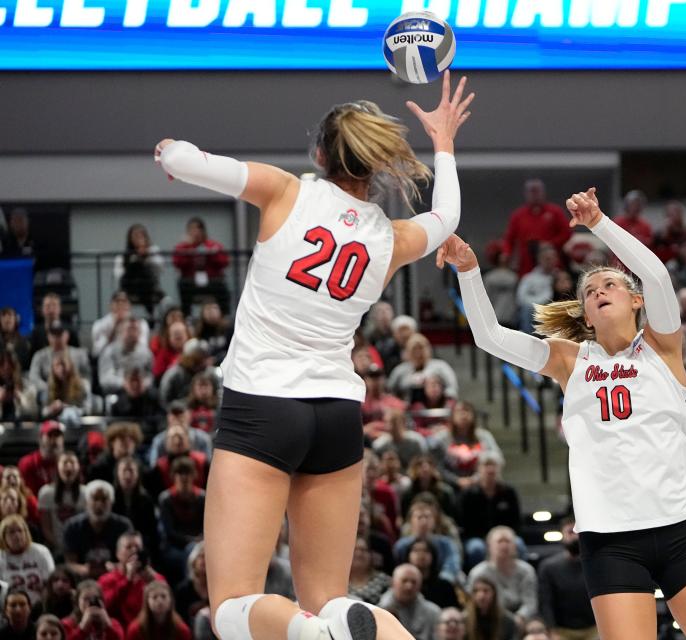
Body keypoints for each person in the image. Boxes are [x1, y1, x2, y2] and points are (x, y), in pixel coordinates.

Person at [155, 71, 473, 640]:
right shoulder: (389, 237)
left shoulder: (285, 190)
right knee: (330, 600)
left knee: (230, 606)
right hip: (336, 414)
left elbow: (186, 162)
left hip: (263, 407)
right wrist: (443, 143)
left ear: (320, 153)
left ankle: (311, 634)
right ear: (373, 166)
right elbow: (446, 218)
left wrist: (170, 150)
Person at [436, 186, 686, 640]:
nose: (600, 291)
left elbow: (656, 276)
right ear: (585, 313)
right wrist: (469, 271)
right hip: (611, 539)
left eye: (611, 284)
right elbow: (490, 336)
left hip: (682, 528)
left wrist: (599, 223)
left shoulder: (662, 347)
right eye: (591, 291)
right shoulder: (570, 360)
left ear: (635, 301)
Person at [536, 518, 596, 640]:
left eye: (577, 532)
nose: (574, 536)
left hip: (594, 628)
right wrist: (551, 630)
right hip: (562, 631)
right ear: (562, 535)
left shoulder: (597, 564)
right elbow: (546, 602)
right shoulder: (548, 567)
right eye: (570, 532)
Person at [467, 526, 537, 628]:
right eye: (500, 541)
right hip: (489, 619)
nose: (504, 545)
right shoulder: (478, 573)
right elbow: (473, 604)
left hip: (521, 620)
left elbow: (530, 602)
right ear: (489, 546)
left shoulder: (526, 570)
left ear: (515, 546)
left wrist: (520, 617)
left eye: (508, 541)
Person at [62, 480, 133, 579]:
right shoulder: (72, 526)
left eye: (104, 499)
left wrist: (115, 568)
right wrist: (85, 570)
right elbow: (70, 564)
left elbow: (130, 560)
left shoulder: (124, 526)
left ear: (111, 502)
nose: (99, 505)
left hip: (116, 578)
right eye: (95, 499)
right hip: (83, 580)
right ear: (87, 502)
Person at [501, 179, 571, 277]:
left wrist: (549, 244)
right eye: (532, 192)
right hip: (527, 263)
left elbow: (567, 233)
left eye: (537, 191)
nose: (535, 195)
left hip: (551, 261)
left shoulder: (555, 212)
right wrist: (506, 253)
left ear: (543, 192)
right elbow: (509, 238)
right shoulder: (518, 215)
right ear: (526, 194)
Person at [98, 531, 166, 629]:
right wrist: (128, 580)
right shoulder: (106, 580)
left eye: (137, 547)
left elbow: (167, 604)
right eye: (128, 547)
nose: (134, 550)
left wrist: (153, 580)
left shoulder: (153, 577)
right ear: (118, 554)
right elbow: (107, 607)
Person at [171, 217, 230, 314]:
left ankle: (224, 316)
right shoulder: (182, 247)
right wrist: (189, 250)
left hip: (211, 281)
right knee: (182, 285)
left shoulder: (213, 245)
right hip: (191, 281)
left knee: (222, 287)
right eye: (192, 229)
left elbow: (225, 262)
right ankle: (187, 316)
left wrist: (211, 254)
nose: (195, 232)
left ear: (203, 231)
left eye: (198, 228)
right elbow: (177, 263)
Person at [37, 450, 85, 555]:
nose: (68, 467)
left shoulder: (86, 493)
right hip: (55, 547)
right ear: (57, 467)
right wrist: (61, 546)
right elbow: (46, 528)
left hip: (80, 547)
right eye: (64, 463)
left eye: (72, 463)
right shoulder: (46, 492)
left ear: (78, 467)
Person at [0, 515, 54, 606]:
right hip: (11, 607)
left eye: (20, 531)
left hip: (40, 604)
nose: (17, 535)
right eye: (11, 532)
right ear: (3, 536)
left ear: (26, 533)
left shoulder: (41, 551)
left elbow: (50, 583)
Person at [377, 564, 441, 640]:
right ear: (392, 583)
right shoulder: (378, 612)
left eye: (414, 582)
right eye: (404, 581)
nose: (409, 586)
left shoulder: (434, 613)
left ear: (420, 585)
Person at [97, 317, 154, 394]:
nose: (133, 333)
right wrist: (124, 384)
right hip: (117, 392)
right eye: (130, 329)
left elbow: (150, 376)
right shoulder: (109, 351)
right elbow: (105, 379)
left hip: (141, 391)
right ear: (120, 331)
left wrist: (143, 384)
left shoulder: (146, 352)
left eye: (136, 329)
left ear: (140, 333)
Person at [401, 538, 459, 610]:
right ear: (408, 556)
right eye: (416, 550)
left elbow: (452, 611)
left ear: (433, 556)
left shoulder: (445, 586)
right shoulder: (402, 585)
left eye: (426, 551)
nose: (421, 554)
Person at [124, 580, 190, 640]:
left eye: (163, 596)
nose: (159, 601)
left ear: (171, 600)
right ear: (147, 602)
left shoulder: (181, 630)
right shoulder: (135, 630)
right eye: (154, 597)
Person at [462, 576, 516, 640]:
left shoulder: (507, 620)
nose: (481, 596)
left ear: (494, 593)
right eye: (476, 591)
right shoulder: (464, 619)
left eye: (486, 591)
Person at [0, 307, 31, 372]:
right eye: (3, 315)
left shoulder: (24, 342)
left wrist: (13, 353)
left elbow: (26, 364)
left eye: (10, 315)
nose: (7, 319)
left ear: (16, 320)